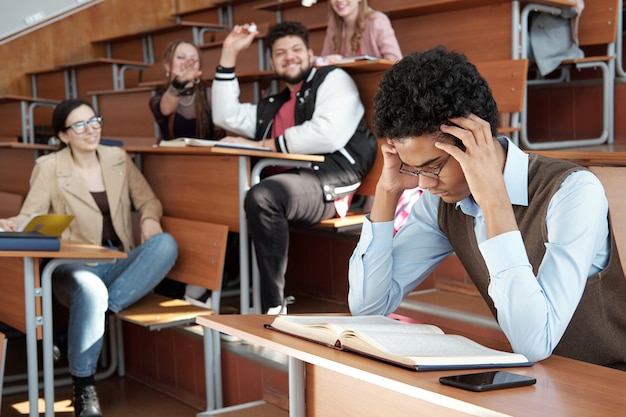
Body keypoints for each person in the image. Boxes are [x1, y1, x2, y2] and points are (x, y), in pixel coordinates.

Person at [348, 46, 626, 369]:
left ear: (473, 138)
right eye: (414, 170)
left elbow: (535, 342)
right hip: (544, 385)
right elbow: (368, 307)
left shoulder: (573, 192)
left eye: (432, 166)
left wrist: (494, 200)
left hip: (610, 383)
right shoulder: (440, 203)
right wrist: (387, 190)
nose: (424, 184)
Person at [0, 99, 179, 416]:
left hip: (117, 261)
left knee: (166, 245)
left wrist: (150, 218)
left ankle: (74, 332)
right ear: (63, 136)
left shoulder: (117, 158)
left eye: (94, 121)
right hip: (73, 266)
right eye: (79, 125)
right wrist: (14, 223)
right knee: (92, 290)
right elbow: (32, 213)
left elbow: (148, 199)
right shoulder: (49, 166)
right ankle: (84, 387)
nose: (90, 129)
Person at [212, 21, 377, 314]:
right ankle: (205, 293)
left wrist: (263, 146)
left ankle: (273, 307)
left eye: (296, 49)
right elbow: (226, 115)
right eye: (280, 53)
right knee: (224, 192)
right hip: (291, 187)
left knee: (262, 197)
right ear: (272, 61)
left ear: (310, 54)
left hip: (331, 184)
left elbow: (327, 133)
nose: (289, 56)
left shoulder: (333, 79)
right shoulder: (276, 104)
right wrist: (228, 53)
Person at [149, 39, 226, 141]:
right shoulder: (158, 98)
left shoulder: (210, 94)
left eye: (194, 59)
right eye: (181, 57)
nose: (188, 62)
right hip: (173, 155)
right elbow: (166, 109)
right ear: (167, 65)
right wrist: (179, 83)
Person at [320, 0, 402, 63]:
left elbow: (395, 62)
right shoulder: (333, 26)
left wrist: (342, 61)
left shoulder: (377, 21)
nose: (339, 0)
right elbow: (323, 61)